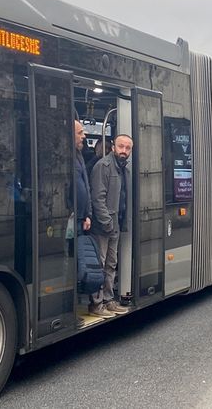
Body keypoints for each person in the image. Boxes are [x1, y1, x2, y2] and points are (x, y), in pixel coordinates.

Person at [88, 134, 133, 318]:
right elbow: (97, 198)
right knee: (99, 265)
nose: (124, 151)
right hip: (103, 227)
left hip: (116, 225)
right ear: (113, 147)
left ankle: (108, 300)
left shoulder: (125, 169)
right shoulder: (103, 166)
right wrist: (106, 222)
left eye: (128, 148)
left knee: (110, 265)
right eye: (121, 146)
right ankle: (96, 304)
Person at [74, 121, 92, 234]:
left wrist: (87, 214)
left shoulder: (78, 155)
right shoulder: (66, 156)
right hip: (71, 217)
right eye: (80, 133)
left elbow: (86, 185)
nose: (84, 136)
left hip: (81, 218)